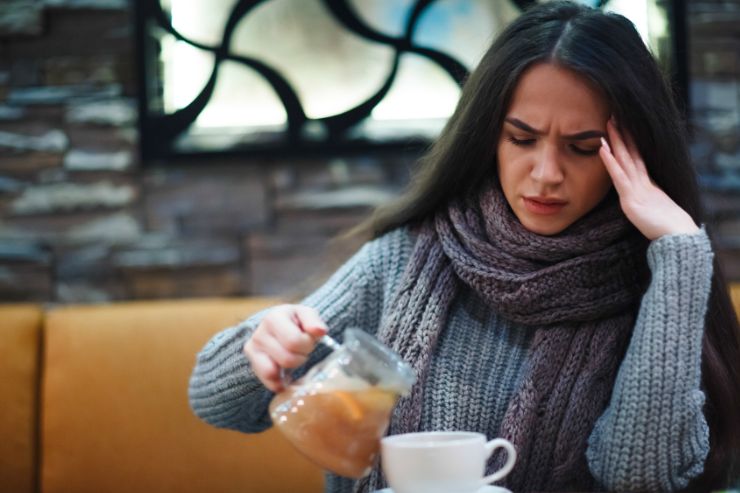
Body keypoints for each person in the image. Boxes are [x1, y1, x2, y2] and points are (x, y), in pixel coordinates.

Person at [188, 2, 740, 492]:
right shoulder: (408, 257)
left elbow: (640, 477)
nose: (546, 174)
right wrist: (261, 347)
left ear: (633, 153)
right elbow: (218, 403)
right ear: (487, 136)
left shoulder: (656, 285)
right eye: (521, 138)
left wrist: (680, 253)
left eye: (583, 147)